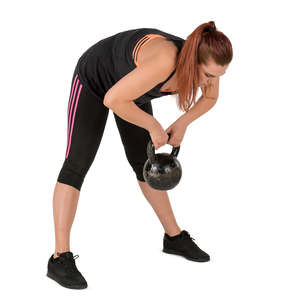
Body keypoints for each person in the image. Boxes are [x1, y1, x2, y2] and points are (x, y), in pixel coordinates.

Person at [46, 21, 233, 289]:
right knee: (76, 164)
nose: (211, 83)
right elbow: (113, 99)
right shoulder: (165, 61)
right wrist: (153, 125)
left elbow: (210, 99)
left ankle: (174, 238)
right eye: (209, 76)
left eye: (219, 76)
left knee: (143, 163)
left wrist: (182, 123)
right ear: (194, 63)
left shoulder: (206, 63)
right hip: (96, 80)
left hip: (131, 88)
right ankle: (59, 259)